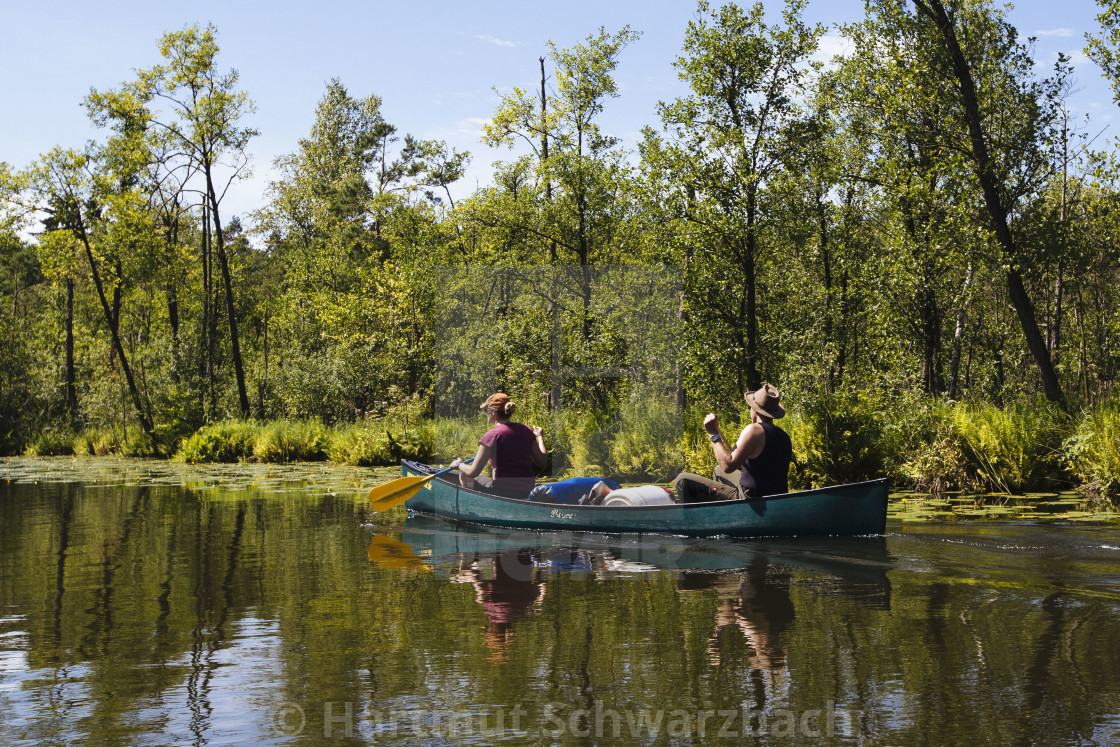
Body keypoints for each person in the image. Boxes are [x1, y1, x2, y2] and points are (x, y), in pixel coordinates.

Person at [673, 383, 792, 503]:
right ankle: (722, 511)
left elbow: (728, 465)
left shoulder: (753, 430)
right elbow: (764, 466)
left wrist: (713, 433)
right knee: (718, 471)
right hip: (777, 499)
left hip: (752, 500)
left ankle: (711, 516)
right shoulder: (784, 436)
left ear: (755, 410)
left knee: (682, 480)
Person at [451, 392, 547, 498]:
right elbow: (542, 461)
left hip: (503, 492)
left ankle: (472, 506)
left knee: (465, 474)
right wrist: (540, 437)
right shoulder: (526, 429)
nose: (486, 412)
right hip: (528, 490)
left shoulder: (492, 436)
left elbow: (473, 472)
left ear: (493, 412)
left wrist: (459, 465)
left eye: (486, 409)